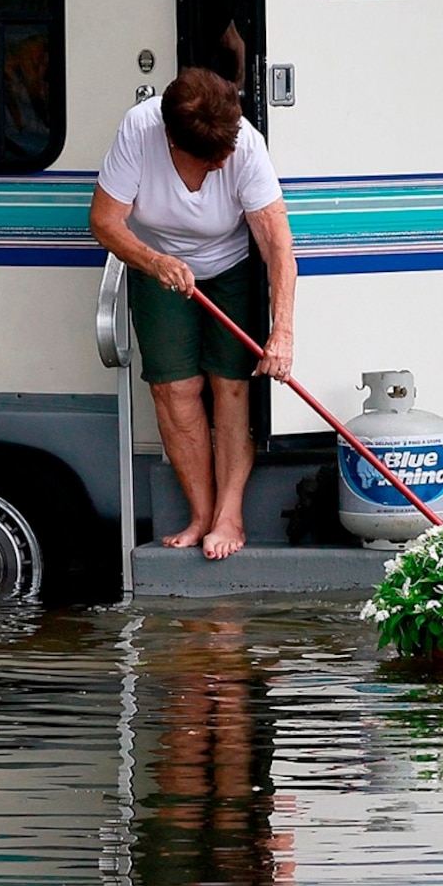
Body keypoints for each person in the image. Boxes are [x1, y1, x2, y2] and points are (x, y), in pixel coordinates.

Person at [89, 67, 295, 560]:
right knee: (175, 388)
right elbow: (104, 220)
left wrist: (282, 330)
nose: (225, 162)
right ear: (175, 144)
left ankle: (229, 514)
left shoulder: (245, 144)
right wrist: (155, 261)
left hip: (230, 265)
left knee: (230, 385)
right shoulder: (140, 131)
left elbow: (276, 244)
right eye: (213, 158)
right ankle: (201, 513)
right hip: (156, 261)